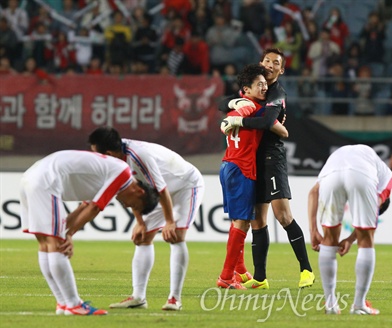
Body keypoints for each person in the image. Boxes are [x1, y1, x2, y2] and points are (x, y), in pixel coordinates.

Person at [219, 48, 315, 289]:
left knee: (282, 215)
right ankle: (260, 278)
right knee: (257, 221)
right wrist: (234, 101)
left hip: (272, 157)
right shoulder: (255, 87)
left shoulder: (275, 93)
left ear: (282, 70)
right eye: (267, 60)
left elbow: (265, 122)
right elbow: (222, 102)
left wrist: (237, 119)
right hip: (252, 160)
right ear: (261, 63)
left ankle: (306, 270)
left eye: (276, 63)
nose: (270, 65)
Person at [20, 150, 159, 316]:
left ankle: (63, 304)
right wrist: (69, 235)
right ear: (139, 192)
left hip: (31, 177)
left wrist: (65, 232)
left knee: (46, 244)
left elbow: (84, 207)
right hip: (47, 180)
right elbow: (94, 207)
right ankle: (73, 304)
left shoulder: (110, 175)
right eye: (134, 205)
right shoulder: (124, 173)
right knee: (55, 245)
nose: (128, 206)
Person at [87, 127, 204, 311]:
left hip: (185, 185)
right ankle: (138, 297)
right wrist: (140, 223)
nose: (95, 158)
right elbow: (131, 194)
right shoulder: (116, 160)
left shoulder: (138, 156)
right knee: (142, 238)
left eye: (96, 154)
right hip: (159, 193)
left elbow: (161, 189)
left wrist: (170, 221)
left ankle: (175, 299)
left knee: (176, 236)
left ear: (108, 153)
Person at [217, 64, 288, 289]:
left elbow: (229, 114)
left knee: (239, 220)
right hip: (241, 167)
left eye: (266, 84)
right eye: (259, 85)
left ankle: (239, 271)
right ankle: (226, 277)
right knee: (242, 222)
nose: (264, 88)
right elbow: (280, 130)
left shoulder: (244, 104)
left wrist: (232, 112)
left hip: (229, 165)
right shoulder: (251, 107)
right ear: (246, 90)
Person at [308, 145, 392, 315]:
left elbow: (313, 192)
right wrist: (353, 239)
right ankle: (359, 304)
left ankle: (331, 305)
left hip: (331, 173)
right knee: (366, 240)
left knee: (329, 239)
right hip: (361, 174)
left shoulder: (366, 157)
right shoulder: (388, 179)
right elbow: (371, 217)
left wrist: (313, 231)